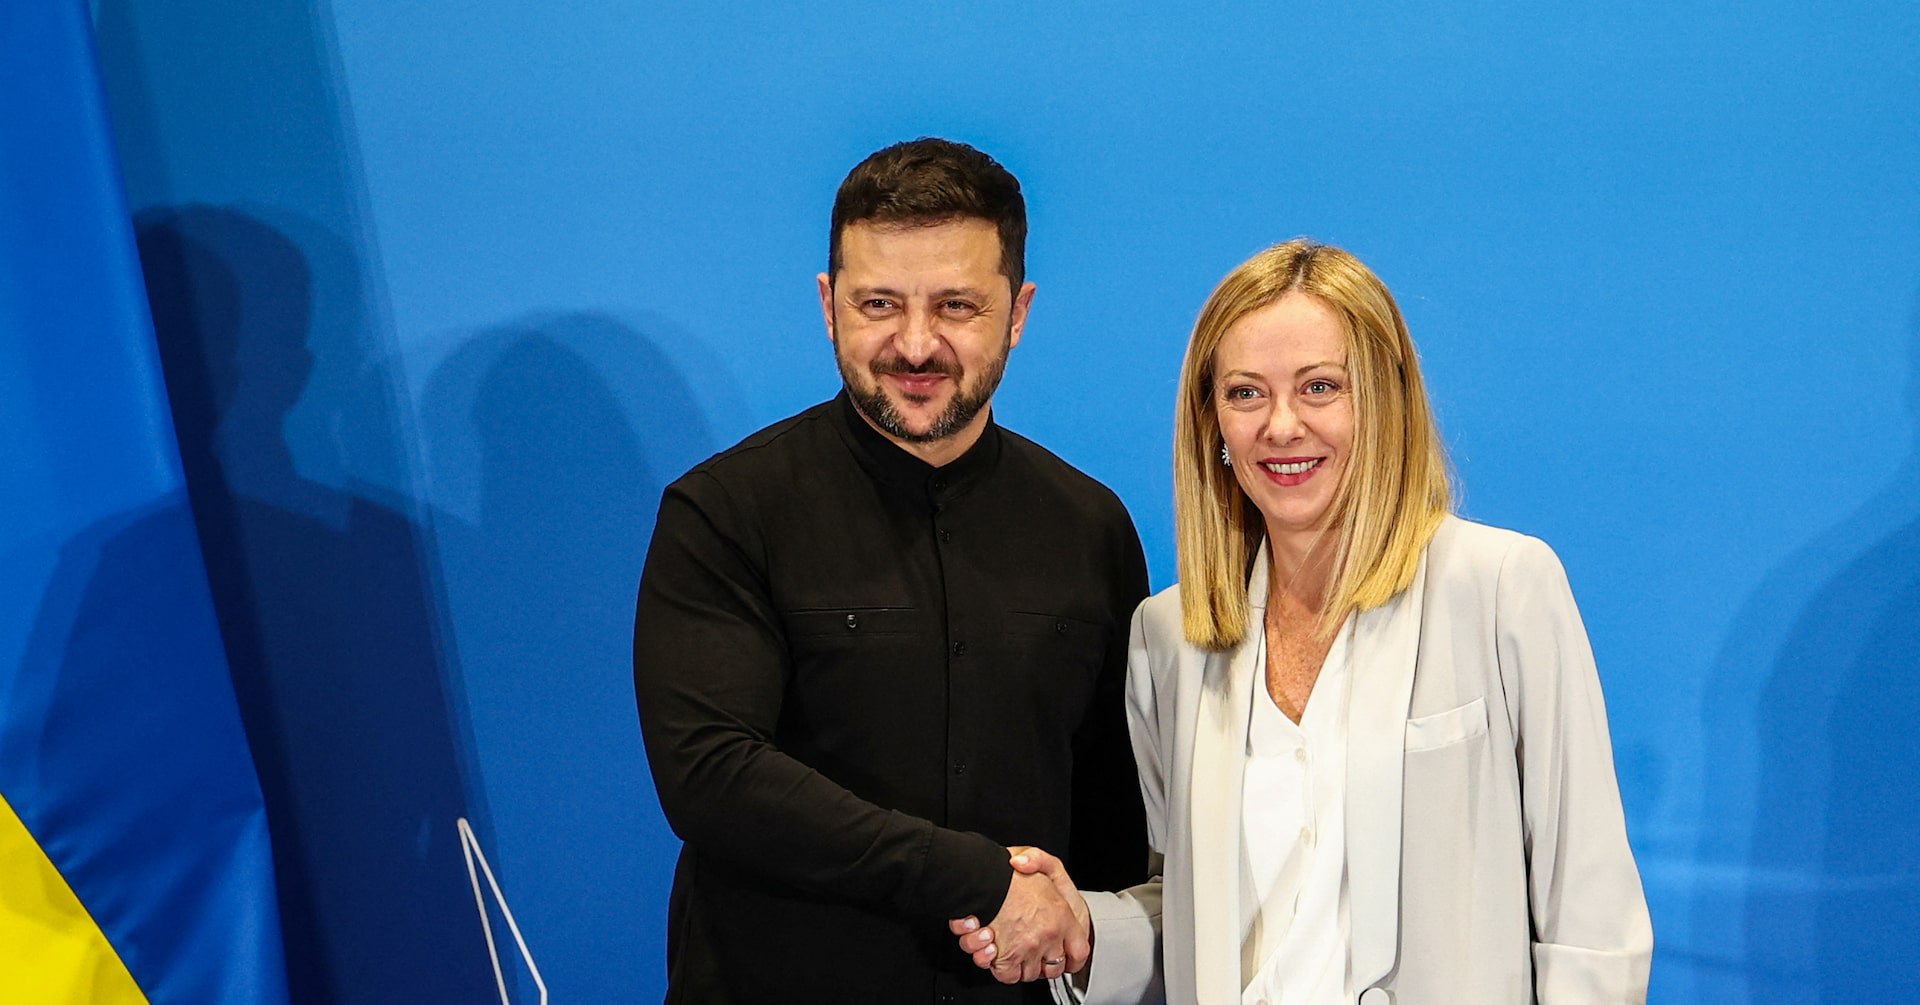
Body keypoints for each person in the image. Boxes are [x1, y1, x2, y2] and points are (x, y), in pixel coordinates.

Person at [954, 240, 1653, 1003]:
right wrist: (1085, 930)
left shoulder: (1501, 587)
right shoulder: (1169, 636)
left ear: (1385, 400)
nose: (1281, 426)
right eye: (1246, 393)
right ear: (1213, 422)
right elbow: (1185, 909)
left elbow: (1591, 921)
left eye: (1320, 387)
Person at [632, 137, 1151, 1004]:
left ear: (1017, 313)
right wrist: (977, 877)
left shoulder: (1091, 526)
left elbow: (1112, 816)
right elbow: (712, 776)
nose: (915, 344)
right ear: (828, 305)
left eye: (956, 305)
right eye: (879, 303)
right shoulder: (725, 512)